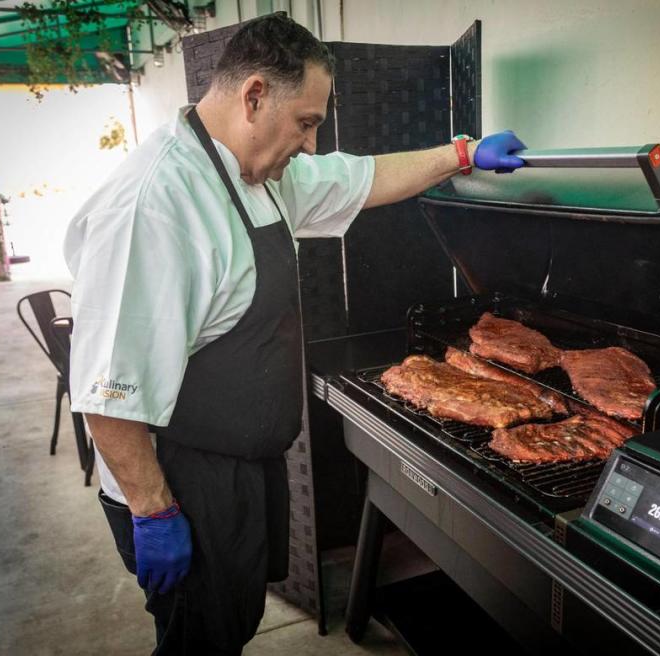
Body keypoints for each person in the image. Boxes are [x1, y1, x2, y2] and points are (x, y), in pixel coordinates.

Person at [63, 13, 526, 656]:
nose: (310, 144)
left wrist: (461, 155)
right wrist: (154, 511)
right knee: (198, 638)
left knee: (231, 624)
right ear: (254, 95)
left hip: (240, 467)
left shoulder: (255, 172)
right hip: (176, 478)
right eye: (306, 122)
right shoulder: (155, 204)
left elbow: (363, 177)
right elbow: (105, 389)